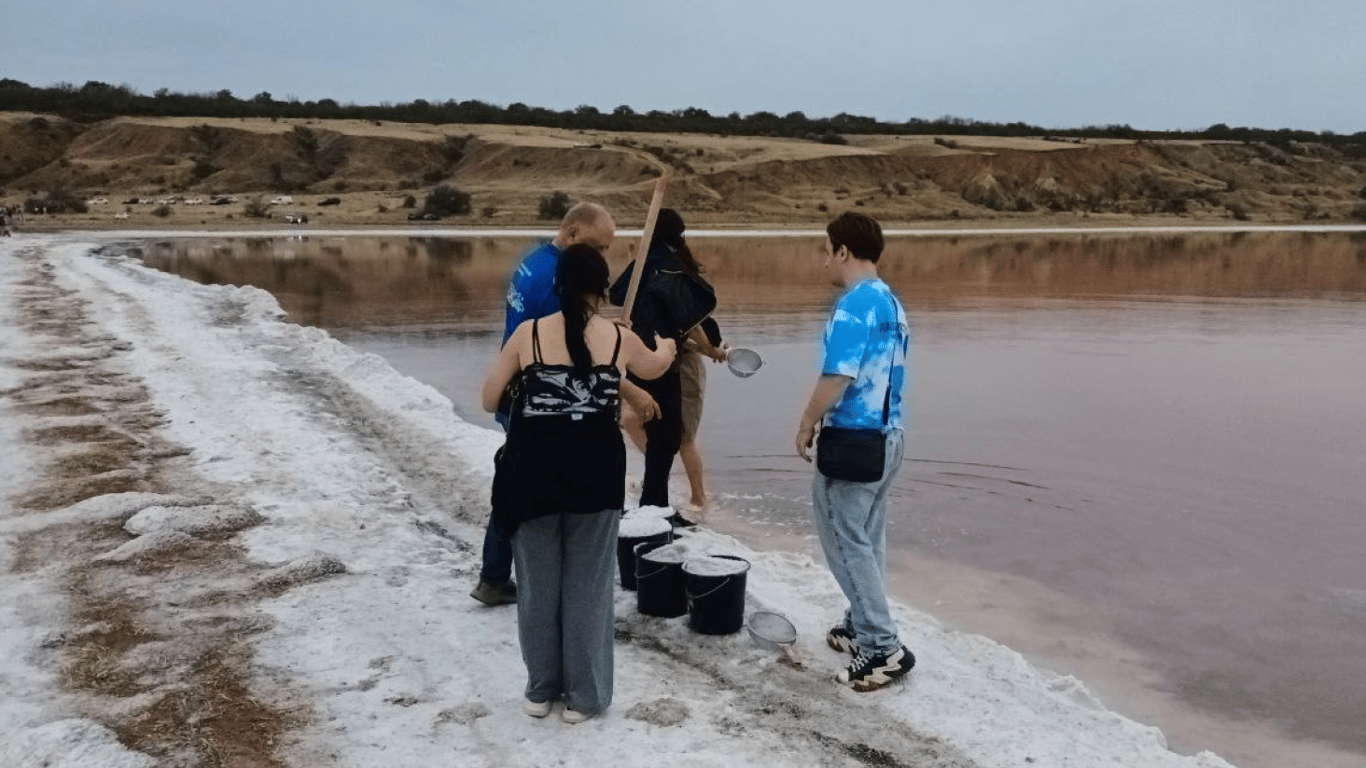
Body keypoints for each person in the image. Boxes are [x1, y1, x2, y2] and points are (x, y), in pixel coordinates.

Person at [481, 243, 676, 723]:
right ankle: (584, 698)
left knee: (537, 588)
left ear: (557, 285)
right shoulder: (618, 339)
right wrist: (668, 346)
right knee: (588, 589)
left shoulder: (528, 334)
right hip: (596, 477)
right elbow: (655, 366)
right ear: (602, 288)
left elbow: (488, 399)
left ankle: (540, 691)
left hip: (532, 478)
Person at [470, 201, 618, 607]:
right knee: (524, 486)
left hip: (515, 388)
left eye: (605, 249)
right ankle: (503, 576)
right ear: (572, 233)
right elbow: (569, 347)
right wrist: (612, 338)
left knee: (514, 477)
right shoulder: (555, 280)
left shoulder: (534, 258)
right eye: (597, 246)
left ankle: (496, 575)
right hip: (534, 399)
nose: (601, 256)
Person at [794, 211, 916, 691]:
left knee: (845, 540)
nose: (824, 260)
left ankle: (883, 648)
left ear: (843, 250)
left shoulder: (853, 305)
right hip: (890, 437)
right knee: (867, 537)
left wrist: (807, 421)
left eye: (827, 251)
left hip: (853, 440)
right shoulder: (890, 302)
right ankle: (859, 624)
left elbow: (838, 376)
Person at [609, 208, 717, 523]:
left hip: (637, 359)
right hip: (666, 362)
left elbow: (617, 295)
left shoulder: (645, 265)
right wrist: (709, 348)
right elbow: (694, 315)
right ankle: (657, 507)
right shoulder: (673, 269)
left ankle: (663, 501)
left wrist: (709, 347)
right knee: (667, 437)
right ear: (678, 236)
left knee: (655, 431)